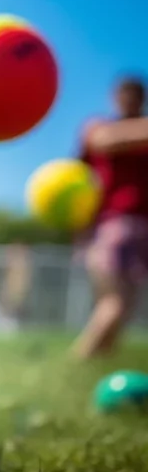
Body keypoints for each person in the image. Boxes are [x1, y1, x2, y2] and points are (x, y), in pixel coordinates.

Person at [72, 76, 148, 358]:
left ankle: (96, 362)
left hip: (140, 226)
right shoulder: (101, 127)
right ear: (115, 97)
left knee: (123, 305)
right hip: (114, 224)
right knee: (115, 301)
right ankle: (81, 360)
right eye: (124, 94)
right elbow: (101, 141)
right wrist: (80, 230)